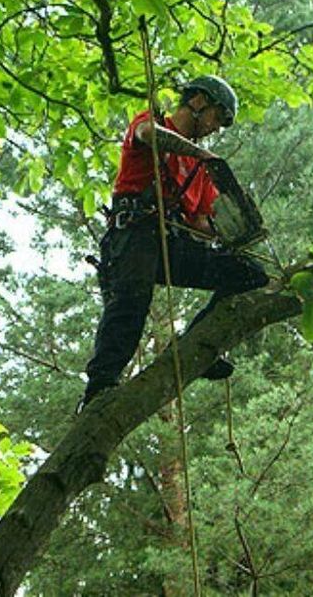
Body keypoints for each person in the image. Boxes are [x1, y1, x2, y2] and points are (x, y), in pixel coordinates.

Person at [79, 75, 268, 411]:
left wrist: (235, 228)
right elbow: (147, 136)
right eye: (215, 117)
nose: (214, 128)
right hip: (134, 234)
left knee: (249, 273)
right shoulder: (153, 123)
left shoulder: (198, 170)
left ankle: (193, 346)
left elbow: (202, 222)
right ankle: (99, 387)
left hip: (172, 243)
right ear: (197, 102)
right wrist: (200, 153)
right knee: (131, 304)